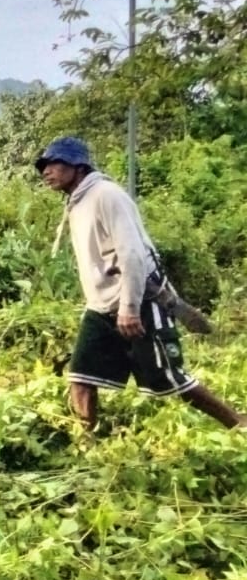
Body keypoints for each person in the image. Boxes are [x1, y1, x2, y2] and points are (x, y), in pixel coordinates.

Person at [35, 136, 242, 434]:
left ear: (78, 166)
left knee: (169, 379)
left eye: (54, 163)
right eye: (44, 166)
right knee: (81, 377)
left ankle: (237, 423)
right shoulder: (77, 201)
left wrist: (129, 308)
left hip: (140, 298)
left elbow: (131, 254)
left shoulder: (107, 195)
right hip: (101, 305)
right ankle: (85, 442)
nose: (46, 171)